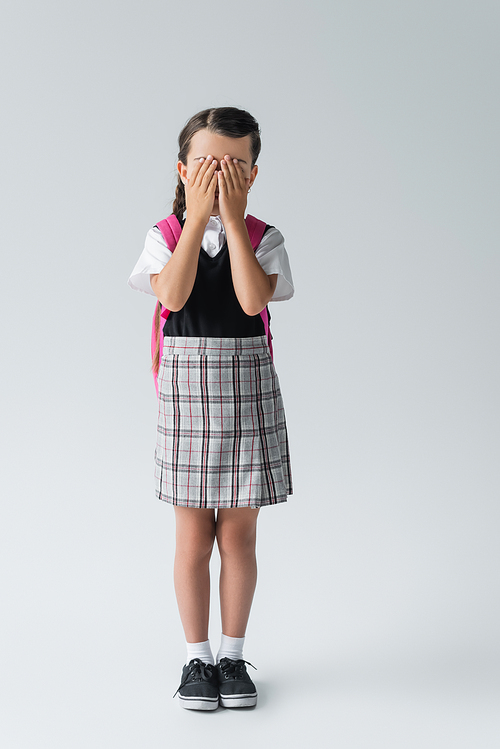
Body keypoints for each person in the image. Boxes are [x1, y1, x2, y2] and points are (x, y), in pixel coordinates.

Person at [128, 107, 294, 710]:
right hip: (188, 393)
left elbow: (253, 302)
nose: (220, 173)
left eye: (234, 165)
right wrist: (199, 217)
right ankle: (197, 660)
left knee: (241, 535)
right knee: (193, 535)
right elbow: (171, 294)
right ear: (181, 169)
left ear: (253, 174)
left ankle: (232, 654)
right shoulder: (164, 236)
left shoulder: (264, 236)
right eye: (206, 164)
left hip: (246, 390)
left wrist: (229, 216)